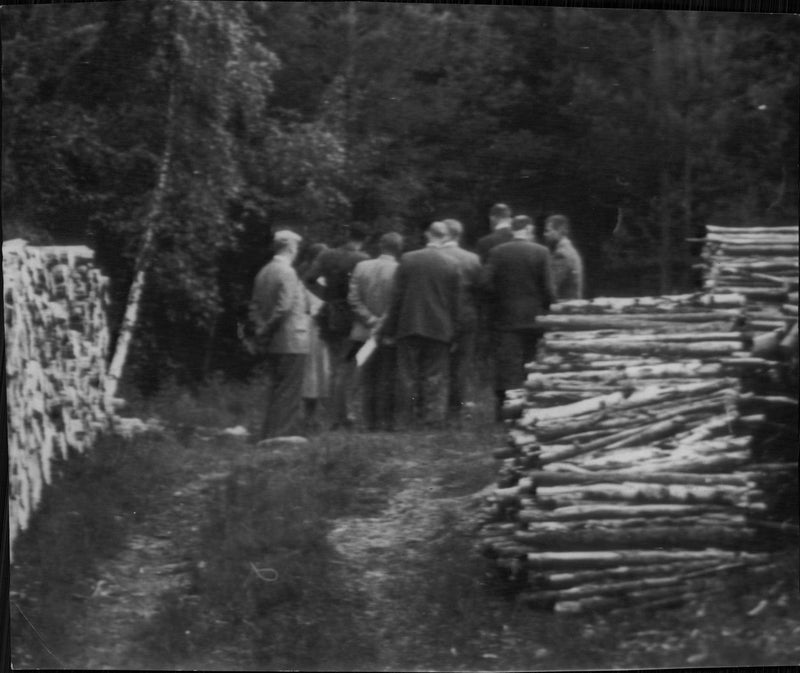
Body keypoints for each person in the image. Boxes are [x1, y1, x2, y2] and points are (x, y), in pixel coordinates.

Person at [381, 221, 462, 428]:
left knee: (406, 375)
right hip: (440, 327)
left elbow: (397, 298)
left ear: (427, 235)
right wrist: (456, 332)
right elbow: (455, 303)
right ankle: (432, 418)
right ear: (445, 237)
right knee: (434, 375)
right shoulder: (452, 264)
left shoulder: (408, 260)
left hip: (409, 324)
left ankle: (405, 419)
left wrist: (389, 329)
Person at [483, 215, 555, 421]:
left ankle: (504, 412)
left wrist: (498, 300)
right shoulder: (541, 252)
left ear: (512, 230)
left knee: (507, 365)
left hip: (505, 318)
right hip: (534, 319)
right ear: (530, 230)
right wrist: (550, 309)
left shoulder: (497, 252)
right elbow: (549, 289)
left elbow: (485, 282)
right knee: (531, 363)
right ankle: (530, 410)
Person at [304, 223, 370, 429]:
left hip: (330, 316)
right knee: (348, 367)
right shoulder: (364, 259)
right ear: (365, 239)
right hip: (352, 317)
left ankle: (336, 415)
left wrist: (327, 297)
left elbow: (309, 279)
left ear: (347, 234)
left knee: (335, 367)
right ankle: (341, 416)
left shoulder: (326, 255)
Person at [249, 229, 310, 439]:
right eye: (297, 247)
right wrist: (267, 328)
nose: (297, 251)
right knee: (289, 391)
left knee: (277, 389)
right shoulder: (288, 272)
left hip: (274, 340)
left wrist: (261, 330)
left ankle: (270, 433)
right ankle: (281, 436)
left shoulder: (263, 272)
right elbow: (284, 307)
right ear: (291, 247)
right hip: (292, 338)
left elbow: (255, 306)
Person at [348, 232, 404, 431]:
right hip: (389, 333)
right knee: (388, 377)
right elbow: (398, 303)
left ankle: (370, 422)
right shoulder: (400, 270)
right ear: (399, 248)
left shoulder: (361, 267)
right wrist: (383, 322)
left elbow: (353, 299)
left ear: (380, 245)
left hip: (364, 332)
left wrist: (370, 320)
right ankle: (386, 422)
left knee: (368, 377)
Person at [439, 219, 481, 418]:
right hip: (466, 317)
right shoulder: (472, 259)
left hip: (438, 316)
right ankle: (455, 409)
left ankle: (431, 407)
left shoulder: (434, 256)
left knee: (435, 364)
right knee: (461, 365)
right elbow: (480, 289)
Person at [298, 243, 331, 432]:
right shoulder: (307, 280)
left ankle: (315, 416)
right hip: (311, 326)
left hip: (319, 327)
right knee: (313, 371)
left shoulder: (320, 280)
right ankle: (309, 416)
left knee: (320, 371)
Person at [543, 214, 584, 300]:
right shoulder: (569, 250)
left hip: (563, 305)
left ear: (560, 230)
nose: (545, 234)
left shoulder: (561, 254)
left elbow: (553, 285)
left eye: (548, 230)